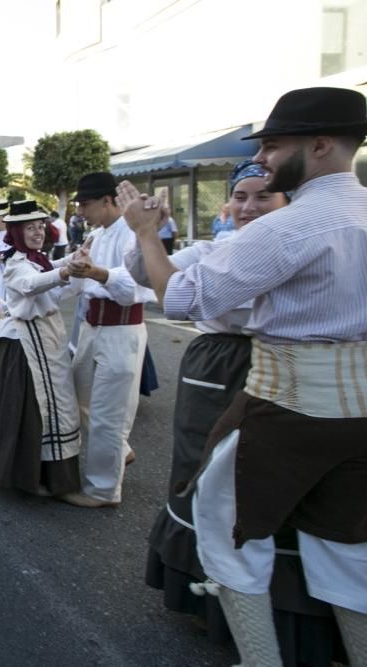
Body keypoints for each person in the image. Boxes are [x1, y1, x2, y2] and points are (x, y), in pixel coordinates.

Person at [119, 86, 367, 667]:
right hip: (359, 414)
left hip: (288, 405)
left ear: (322, 144)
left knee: (226, 529)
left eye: (275, 147)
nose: (266, 159)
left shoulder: (290, 226)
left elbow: (182, 298)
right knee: (346, 547)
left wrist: (147, 234)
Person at [0, 200, 81, 497]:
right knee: (35, 408)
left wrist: (72, 261)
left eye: (40, 226)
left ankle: (45, 472)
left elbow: (47, 271)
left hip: (44, 337)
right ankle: (25, 473)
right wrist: (66, 271)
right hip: (25, 344)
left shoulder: (36, 258)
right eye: (30, 228)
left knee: (52, 405)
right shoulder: (17, 263)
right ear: (16, 232)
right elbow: (31, 283)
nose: (38, 232)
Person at [60, 171, 155, 509]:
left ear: (107, 200)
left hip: (121, 329)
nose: (80, 211)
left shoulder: (132, 234)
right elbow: (79, 281)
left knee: (109, 413)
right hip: (91, 327)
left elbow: (136, 288)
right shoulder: (98, 235)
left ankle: (103, 490)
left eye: (85, 204)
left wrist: (96, 273)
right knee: (75, 398)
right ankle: (120, 451)